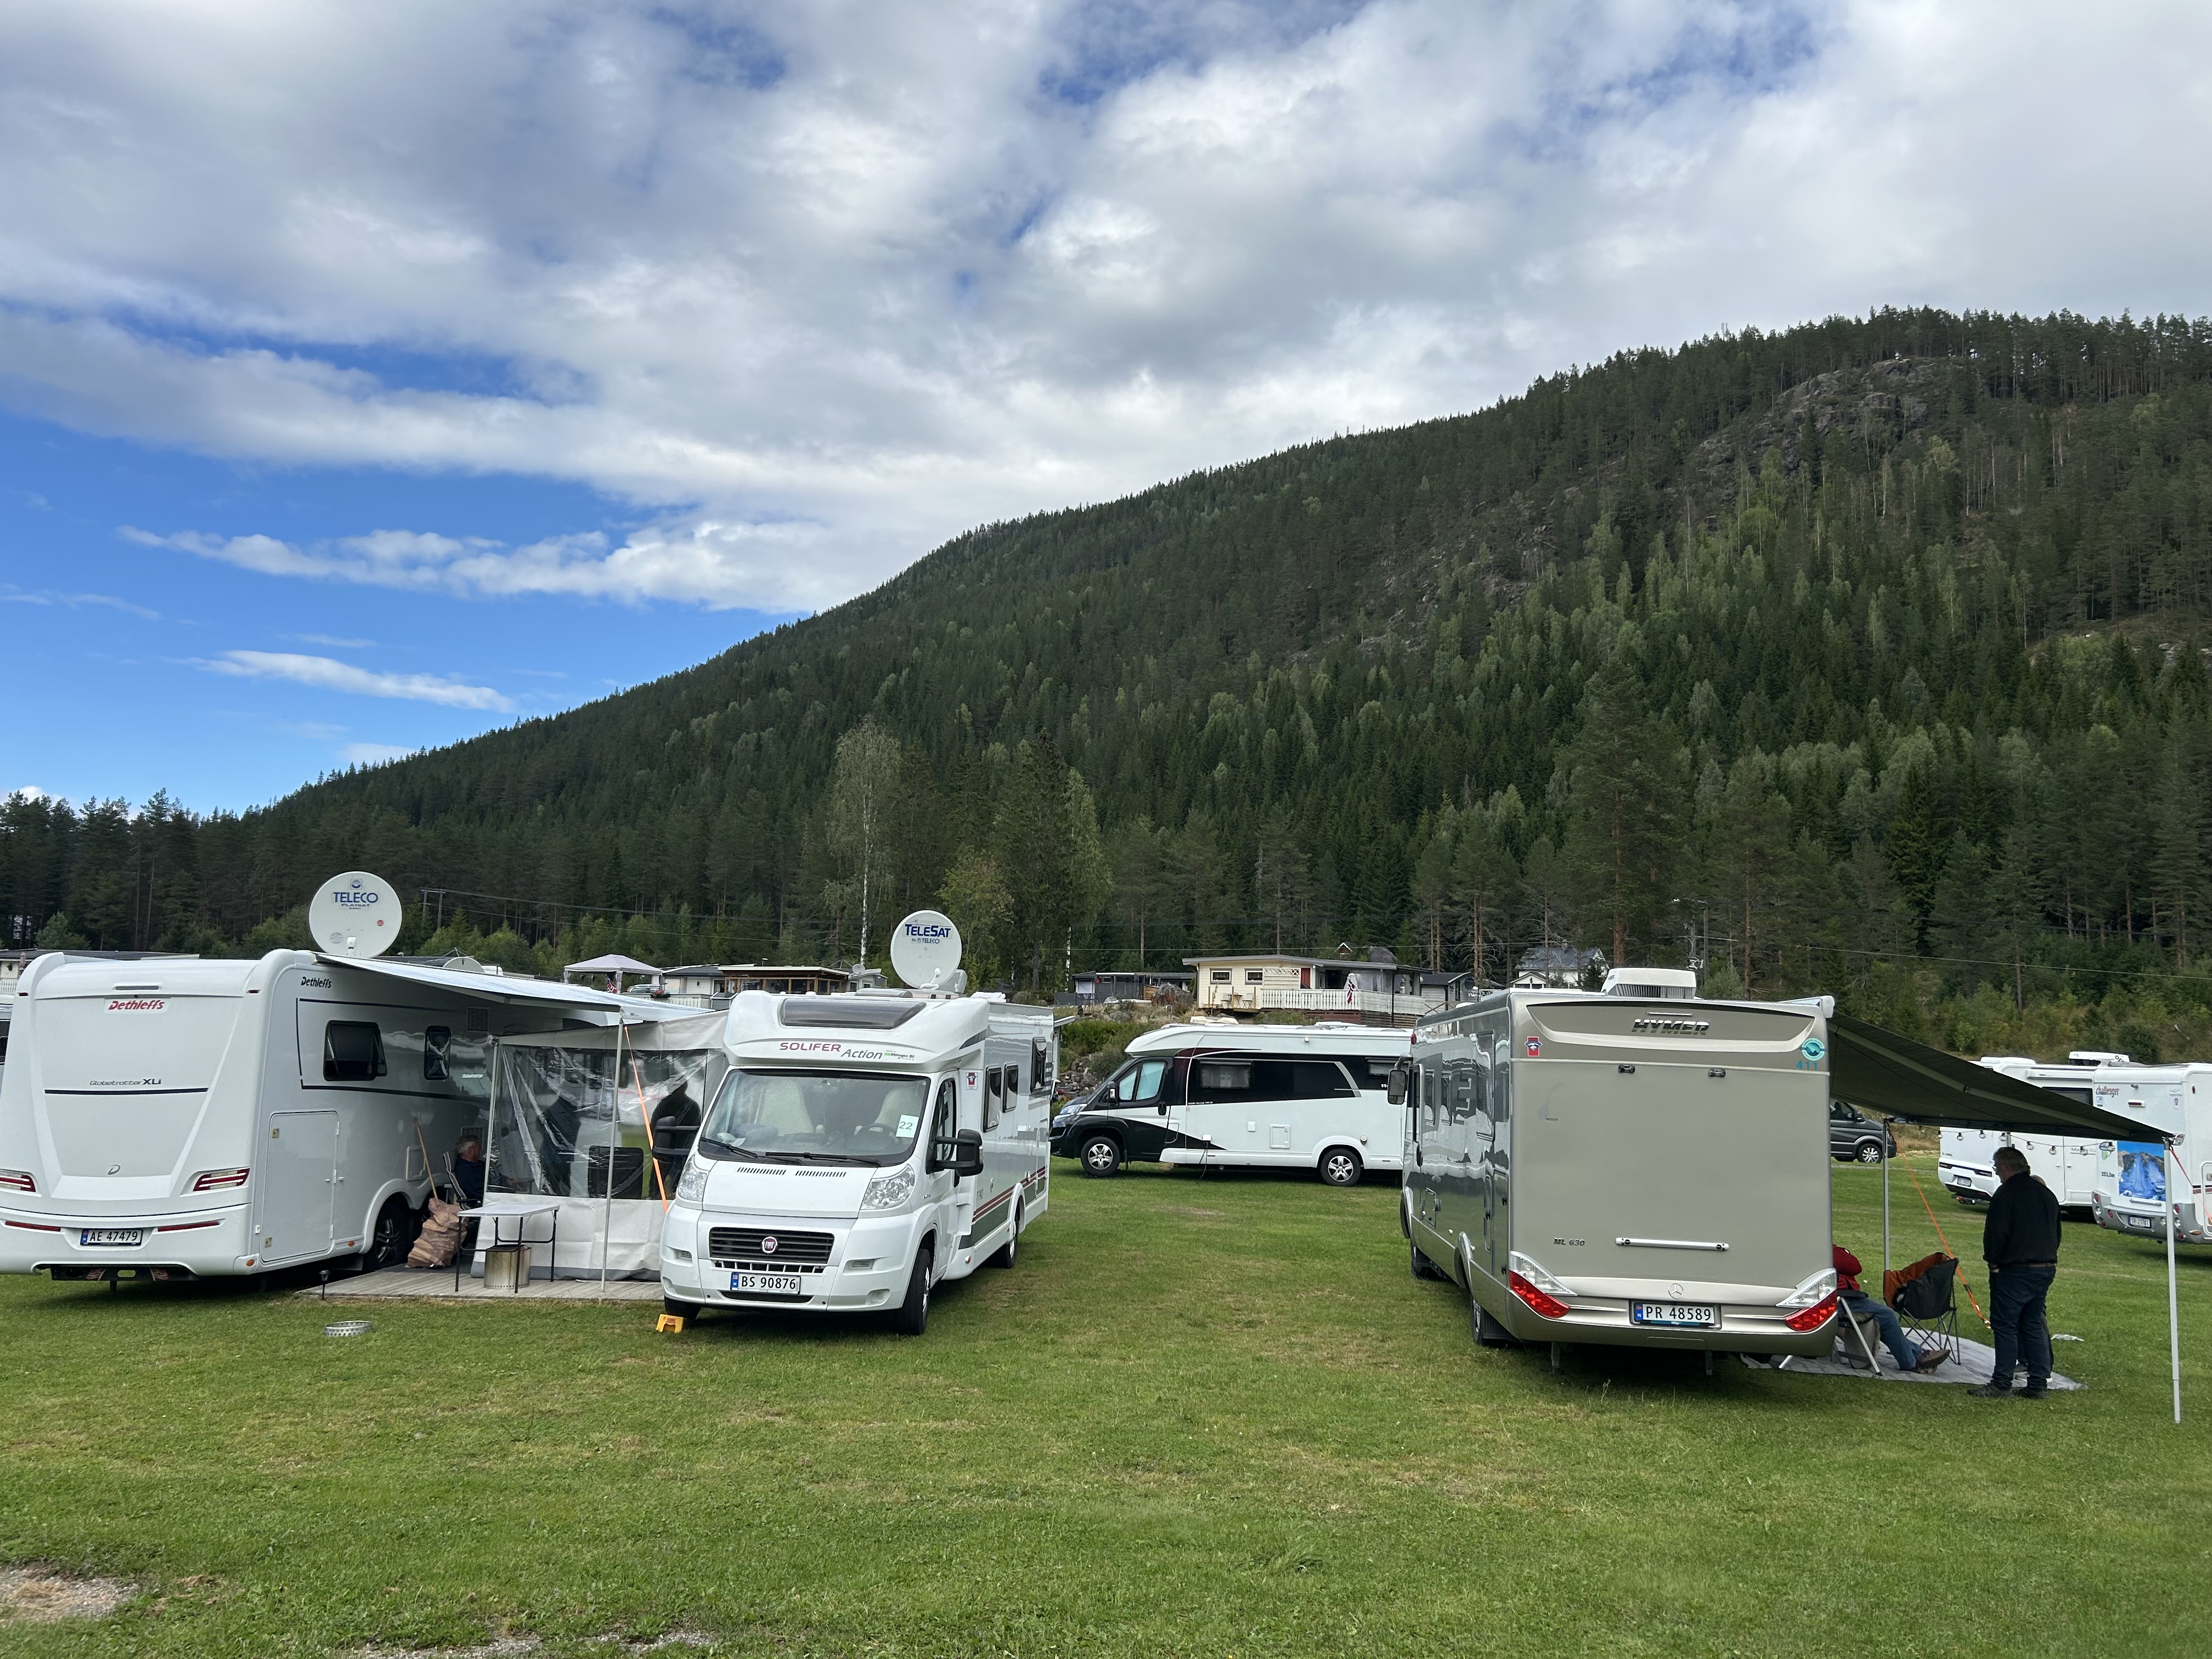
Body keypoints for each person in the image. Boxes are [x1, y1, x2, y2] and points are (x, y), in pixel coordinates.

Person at [1971, 1144, 2060, 1399]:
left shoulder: (2006, 1193)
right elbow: (2056, 1234)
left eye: (1998, 1168)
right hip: (2044, 1268)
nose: (1997, 1173)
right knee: (2033, 1324)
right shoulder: (2046, 1194)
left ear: (2005, 1167)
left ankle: (2001, 1383)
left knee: (2006, 1326)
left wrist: (1994, 1262)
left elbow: (1996, 1232)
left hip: (2014, 1271)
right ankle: (2038, 1383)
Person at [1833, 1244, 1944, 1373]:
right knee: (1887, 1315)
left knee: (1885, 1319)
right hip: (1840, 1300)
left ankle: (1918, 1354)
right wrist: (1843, 1252)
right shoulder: (1826, 1250)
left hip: (1841, 1298)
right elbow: (1854, 1266)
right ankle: (1911, 1362)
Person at [452, 1132, 487, 1206]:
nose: (480, 1150)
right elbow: (479, 1193)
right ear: (471, 1150)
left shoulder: (476, 1165)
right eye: (479, 1148)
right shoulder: (465, 1171)